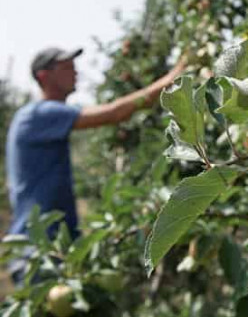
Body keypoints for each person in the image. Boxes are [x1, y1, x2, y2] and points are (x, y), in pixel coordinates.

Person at [4, 46, 185, 282]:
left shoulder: (38, 117)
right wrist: (172, 79)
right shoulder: (39, 114)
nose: (75, 72)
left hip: (53, 249)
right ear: (43, 76)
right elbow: (115, 113)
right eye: (66, 67)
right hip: (40, 253)